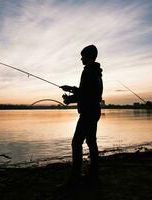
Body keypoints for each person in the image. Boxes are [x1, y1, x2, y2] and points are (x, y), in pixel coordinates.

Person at [60, 44, 103, 184]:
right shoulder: (96, 71)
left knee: (76, 143)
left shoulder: (88, 71)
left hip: (88, 113)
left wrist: (69, 99)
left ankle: (75, 176)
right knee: (91, 142)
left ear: (88, 56)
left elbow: (85, 94)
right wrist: (71, 88)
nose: (81, 59)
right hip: (94, 111)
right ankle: (93, 175)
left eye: (82, 56)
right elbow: (86, 91)